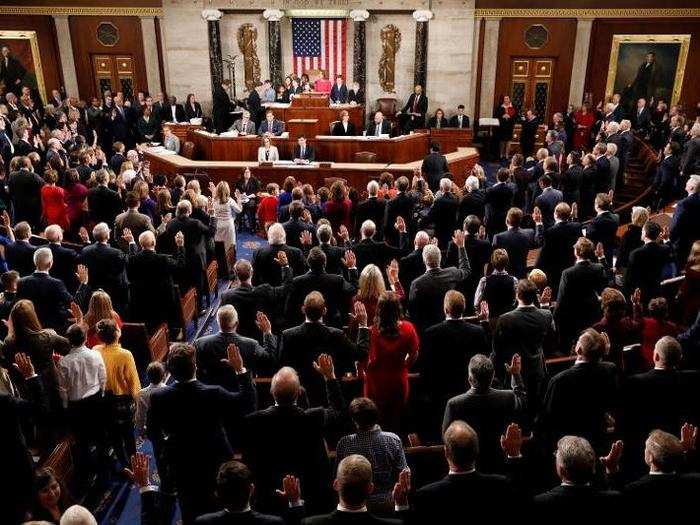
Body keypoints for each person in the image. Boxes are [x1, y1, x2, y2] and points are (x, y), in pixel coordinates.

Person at [148, 343, 257, 524]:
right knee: (221, 507)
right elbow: (247, 404)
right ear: (195, 367)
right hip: (217, 462)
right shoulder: (213, 393)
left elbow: (153, 434)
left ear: (170, 372)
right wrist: (240, 370)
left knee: (189, 510)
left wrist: (166, 457)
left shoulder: (158, 397)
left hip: (182, 464)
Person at [242, 355, 344, 514]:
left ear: (271, 390)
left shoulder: (253, 421)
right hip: (311, 499)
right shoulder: (313, 418)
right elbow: (338, 411)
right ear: (299, 392)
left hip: (267, 500)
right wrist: (329, 376)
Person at [409, 421, 522, 523]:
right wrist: (514, 455)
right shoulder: (500, 486)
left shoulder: (425, 496)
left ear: (446, 452)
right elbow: (522, 499)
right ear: (476, 450)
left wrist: (401, 506)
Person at [537, 328, 620, 452]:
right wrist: (604, 352)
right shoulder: (609, 371)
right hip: (598, 441)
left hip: (569, 446)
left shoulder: (559, 381)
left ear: (578, 350)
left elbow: (547, 420)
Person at [279, 292, 368, 406]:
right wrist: (363, 324)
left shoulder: (288, 335)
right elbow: (361, 353)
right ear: (324, 311)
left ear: (303, 309)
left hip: (300, 400)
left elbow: (282, 366)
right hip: (331, 398)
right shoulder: (337, 335)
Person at [492, 279, 554, 420]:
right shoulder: (546, 314)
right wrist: (544, 305)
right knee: (535, 410)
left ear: (517, 295)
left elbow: (497, 350)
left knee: (517, 413)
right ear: (534, 296)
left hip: (514, 373)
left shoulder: (505, 319)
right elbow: (552, 342)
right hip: (537, 369)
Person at [335, 397, 408, 515]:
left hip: (355, 505)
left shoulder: (345, 443)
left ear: (354, 420)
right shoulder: (393, 439)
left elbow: (338, 477)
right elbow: (403, 474)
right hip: (389, 502)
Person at [56, 323, 107, 477]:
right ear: (85, 338)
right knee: (100, 436)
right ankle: (104, 468)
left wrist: (66, 406)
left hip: (76, 406)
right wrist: (101, 394)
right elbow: (103, 377)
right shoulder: (95, 354)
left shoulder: (64, 362)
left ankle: (89, 473)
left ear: (69, 340)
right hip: (95, 400)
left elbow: (63, 389)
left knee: (82, 440)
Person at [363, 291, 418, 433]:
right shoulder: (408, 328)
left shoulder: (371, 331)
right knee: (395, 421)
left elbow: (363, 356)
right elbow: (414, 353)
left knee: (374, 419)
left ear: (379, 309)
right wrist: (405, 366)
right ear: (397, 308)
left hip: (375, 381)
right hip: (398, 378)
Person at [534, 436, 622, 519]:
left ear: (562, 469)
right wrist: (612, 469)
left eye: (556, 454)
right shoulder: (613, 499)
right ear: (593, 468)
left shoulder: (539, 503)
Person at [93, 319, 140, 468]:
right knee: (128, 435)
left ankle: (123, 463)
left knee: (114, 435)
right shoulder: (125, 354)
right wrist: (138, 402)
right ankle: (134, 464)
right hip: (122, 400)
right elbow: (133, 383)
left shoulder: (95, 350)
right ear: (116, 333)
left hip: (103, 399)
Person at [195, 305, 277, 386]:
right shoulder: (251, 344)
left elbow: (198, 372)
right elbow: (269, 360)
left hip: (211, 394)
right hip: (242, 390)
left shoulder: (200, 343)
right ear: (237, 323)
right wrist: (267, 332)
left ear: (217, 322)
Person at [408, 232, 471, 334]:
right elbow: (466, 269)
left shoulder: (417, 284)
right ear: (440, 258)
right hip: (450, 328)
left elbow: (413, 312)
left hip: (427, 330)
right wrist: (461, 247)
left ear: (424, 261)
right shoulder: (452, 273)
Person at [555, 238, 608, 350]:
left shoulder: (568, 273)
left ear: (577, 252)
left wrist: (554, 317)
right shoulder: (598, 268)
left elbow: (561, 300)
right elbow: (605, 289)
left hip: (575, 318)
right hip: (595, 313)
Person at [534, 202, 582, 295]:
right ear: (569, 214)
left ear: (555, 214)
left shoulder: (550, 232)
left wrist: (538, 223)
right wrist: (575, 217)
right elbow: (576, 226)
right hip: (571, 264)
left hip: (555, 270)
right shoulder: (576, 227)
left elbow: (539, 242)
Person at [624, 220, 673, 302]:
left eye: (642, 230)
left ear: (645, 234)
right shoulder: (665, 249)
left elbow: (629, 279)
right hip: (658, 290)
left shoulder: (636, 253)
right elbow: (672, 253)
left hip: (641, 294)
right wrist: (666, 239)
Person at [492, 207, 537, 279]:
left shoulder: (499, 237)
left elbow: (494, 259)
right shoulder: (530, 233)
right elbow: (537, 243)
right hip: (522, 274)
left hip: (505, 275)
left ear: (507, 220)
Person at [670, 175, 700, 267]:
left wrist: (668, 240)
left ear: (691, 187)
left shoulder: (683, 204)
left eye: (688, 181)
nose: (686, 182)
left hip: (682, 246)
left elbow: (675, 227)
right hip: (696, 243)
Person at [585, 192, 619, 267]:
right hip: (609, 252)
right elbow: (611, 213)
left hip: (597, 255)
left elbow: (588, 239)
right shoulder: (616, 217)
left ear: (596, 206)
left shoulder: (595, 222)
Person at [134, 361, 166, 438]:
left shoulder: (141, 393)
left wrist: (141, 429)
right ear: (163, 376)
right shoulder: (168, 390)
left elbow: (140, 415)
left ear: (148, 377)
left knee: (156, 446)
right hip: (165, 428)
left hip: (151, 428)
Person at [484, 168, 515, 237]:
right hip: (504, 217)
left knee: (492, 236)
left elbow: (485, 202)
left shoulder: (490, 190)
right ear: (507, 178)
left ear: (497, 176)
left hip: (492, 218)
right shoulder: (510, 190)